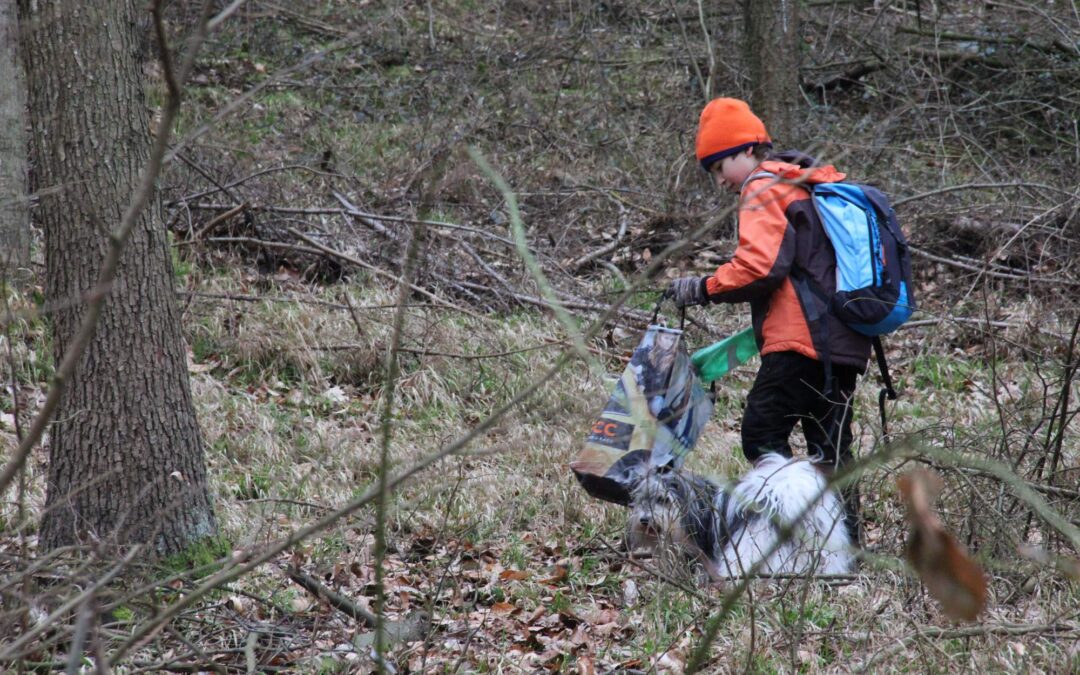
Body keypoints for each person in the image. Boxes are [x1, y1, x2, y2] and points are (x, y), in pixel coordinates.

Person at [665, 97, 870, 544]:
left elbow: (760, 266)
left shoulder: (763, 186)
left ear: (746, 151)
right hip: (845, 340)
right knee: (831, 447)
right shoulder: (803, 184)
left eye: (719, 166)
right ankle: (847, 546)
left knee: (762, 431)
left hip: (799, 340)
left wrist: (703, 287)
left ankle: (783, 537)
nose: (720, 180)